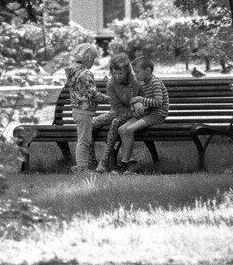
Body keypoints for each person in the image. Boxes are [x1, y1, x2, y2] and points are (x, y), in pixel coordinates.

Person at [114, 54, 169, 174]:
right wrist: (137, 106)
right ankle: (132, 163)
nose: (135, 74)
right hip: (147, 113)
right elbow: (146, 103)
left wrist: (141, 100)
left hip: (157, 115)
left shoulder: (155, 83)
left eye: (137, 72)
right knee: (122, 129)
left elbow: (158, 102)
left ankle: (124, 163)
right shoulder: (144, 83)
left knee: (129, 130)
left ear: (148, 70)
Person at [92, 53, 139, 173]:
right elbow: (116, 107)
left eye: (120, 73)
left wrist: (130, 111)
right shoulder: (111, 83)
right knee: (90, 124)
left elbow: (137, 104)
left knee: (115, 122)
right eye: (115, 73)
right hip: (116, 112)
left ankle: (104, 161)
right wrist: (121, 111)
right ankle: (91, 160)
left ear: (127, 71)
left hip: (133, 115)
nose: (117, 76)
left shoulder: (136, 82)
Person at [65, 42, 107, 172]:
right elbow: (92, 93)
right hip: (85, 111)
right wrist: (106, 98)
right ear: (88, 58)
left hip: (76, 110)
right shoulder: (86, 73)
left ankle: (80, 165)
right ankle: (81, 167)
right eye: (93, 59)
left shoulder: (73, 73)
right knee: (84, 140)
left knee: (83, 138)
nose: (93, 63)